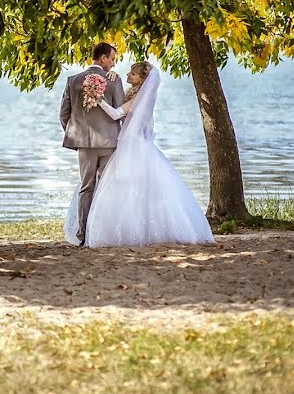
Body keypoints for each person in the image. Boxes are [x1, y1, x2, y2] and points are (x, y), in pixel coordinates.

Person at [63, 61, 215, 248]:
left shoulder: (138, 100)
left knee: (126, 188)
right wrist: (112, 76)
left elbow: (115, 113)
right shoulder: (139, 96)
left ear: (142, 79)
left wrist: (98, 97)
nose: (128, 76)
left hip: (132, 146)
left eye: (132, 74)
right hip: (130, 144)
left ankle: (118, 228)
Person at [59, 42, 127, 246]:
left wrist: (77, 134)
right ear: (103, 58)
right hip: (109, 142)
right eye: (112, 59)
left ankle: (83, 233)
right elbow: (122, 110)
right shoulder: (114, 81)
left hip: (85, 145)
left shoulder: (73, 80)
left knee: (86, 187)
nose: (113, 64)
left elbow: (64, 114)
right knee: (106, 187)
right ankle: (104, 232)